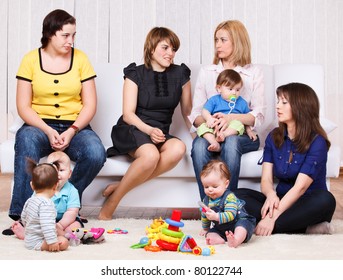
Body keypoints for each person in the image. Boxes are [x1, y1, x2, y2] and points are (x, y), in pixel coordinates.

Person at [3, 9, 106, 234]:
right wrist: (48, 130)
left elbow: (90, 105)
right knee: (26, 140)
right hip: (39, 125)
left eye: (73, 36)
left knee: (96, 152)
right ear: (50, 33)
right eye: (65, 35)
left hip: (74, 126)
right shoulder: (30, 59)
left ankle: (69, 206)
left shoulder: (81, 59)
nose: (71, 41)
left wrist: (71, 131)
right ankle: (22, 215)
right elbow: (23, 106)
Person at [99, 27, 192, 220]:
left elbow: (188, 112)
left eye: (174, 49)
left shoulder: (181, 74)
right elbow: (128, 114)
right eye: (165, 48)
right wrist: (149, 130)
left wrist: (200, 135)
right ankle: (112, 203)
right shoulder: (135, 73)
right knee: (150, 155)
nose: (171, 53)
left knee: (178, 149)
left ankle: (120, 186)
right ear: (151, 48)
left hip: (160, 132)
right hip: (134, 127)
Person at [234, 83, 336, 235]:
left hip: (306, 202)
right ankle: (305, 228)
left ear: (301, 106)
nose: (277, 106)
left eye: (284, 102)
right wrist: (271, 195)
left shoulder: (317, 142)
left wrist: (272, 217)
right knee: (234, 196)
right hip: (279, 200)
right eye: (278, 101)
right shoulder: (274, 136)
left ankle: (263, 224)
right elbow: (266, 180)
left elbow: (300, 188)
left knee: (326, 200)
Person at [189, 20, 265, 199]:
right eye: (216, 40)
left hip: (242, 134)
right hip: (212, 131)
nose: (217, 45)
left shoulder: (253, 72)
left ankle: (230, 206)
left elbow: (258, 115)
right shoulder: (207, 72)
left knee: (231, 143)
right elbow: (196, 114)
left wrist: (229, 119)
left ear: (237, 41)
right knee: (199, 146)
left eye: (223, 40)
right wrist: (212, 122)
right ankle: (209, 207)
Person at [11, 151, 83, 239]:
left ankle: (65, 234)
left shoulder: (72, 191)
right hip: (44, 218)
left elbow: (72, 212)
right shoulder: (42, 187)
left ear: (69, 174)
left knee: (76, 225)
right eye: (53, 171)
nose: (57, 174)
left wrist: (60, 225)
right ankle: (27, 234)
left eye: (61, 170)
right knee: (32, 222)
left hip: (65, 220)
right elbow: (33, 205)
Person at [199, 160, 256, 248]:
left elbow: (231, 214)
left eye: (214, 186)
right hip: (221, 227)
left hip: (238, 221)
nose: (210, 189)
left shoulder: (229, 197)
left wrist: (216, 217)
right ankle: (218, 239)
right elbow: (204, 216)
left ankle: (236, 240)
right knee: (210, 233)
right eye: (206, 187)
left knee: (242, 227)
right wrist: (205, 228)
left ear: (226, 184)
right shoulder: (206, 200)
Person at [198, 69, 257, 152]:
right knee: (202, 127)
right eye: (230, 89)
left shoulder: (242, 102)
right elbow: (204, 111)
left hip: (231, 129)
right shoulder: (214, 100)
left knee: (239, 124)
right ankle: (214, 143)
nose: (234, 93)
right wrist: (209, 119)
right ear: (219, 89)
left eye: (237, 90)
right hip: (216, 126)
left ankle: (223, 135)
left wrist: (249, 131)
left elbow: (246, 120)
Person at [20, 158, 69, 251]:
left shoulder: (30, 200)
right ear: (55, 186)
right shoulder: (46, 204)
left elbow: (24, 218)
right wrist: (52, 242)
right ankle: (49, 242)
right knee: (64, 241)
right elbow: (47, 224)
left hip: (29, 239)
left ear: (32, 185)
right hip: (38, 242)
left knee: (57, 232)